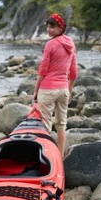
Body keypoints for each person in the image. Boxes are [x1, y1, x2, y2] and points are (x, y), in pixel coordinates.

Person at [33, 13, 78, 155]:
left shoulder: (50, 44)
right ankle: (60, 155)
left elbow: (43, 69)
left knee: (45, 127)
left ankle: (46, 156)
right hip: (63, 90)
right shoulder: (70, 43)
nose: (49, 29)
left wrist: (36, 90)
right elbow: (74, 71)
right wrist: (69, 90)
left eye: (52, 27)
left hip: (48, 90)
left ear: (60, 28)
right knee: (61, 125)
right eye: (48, 26)